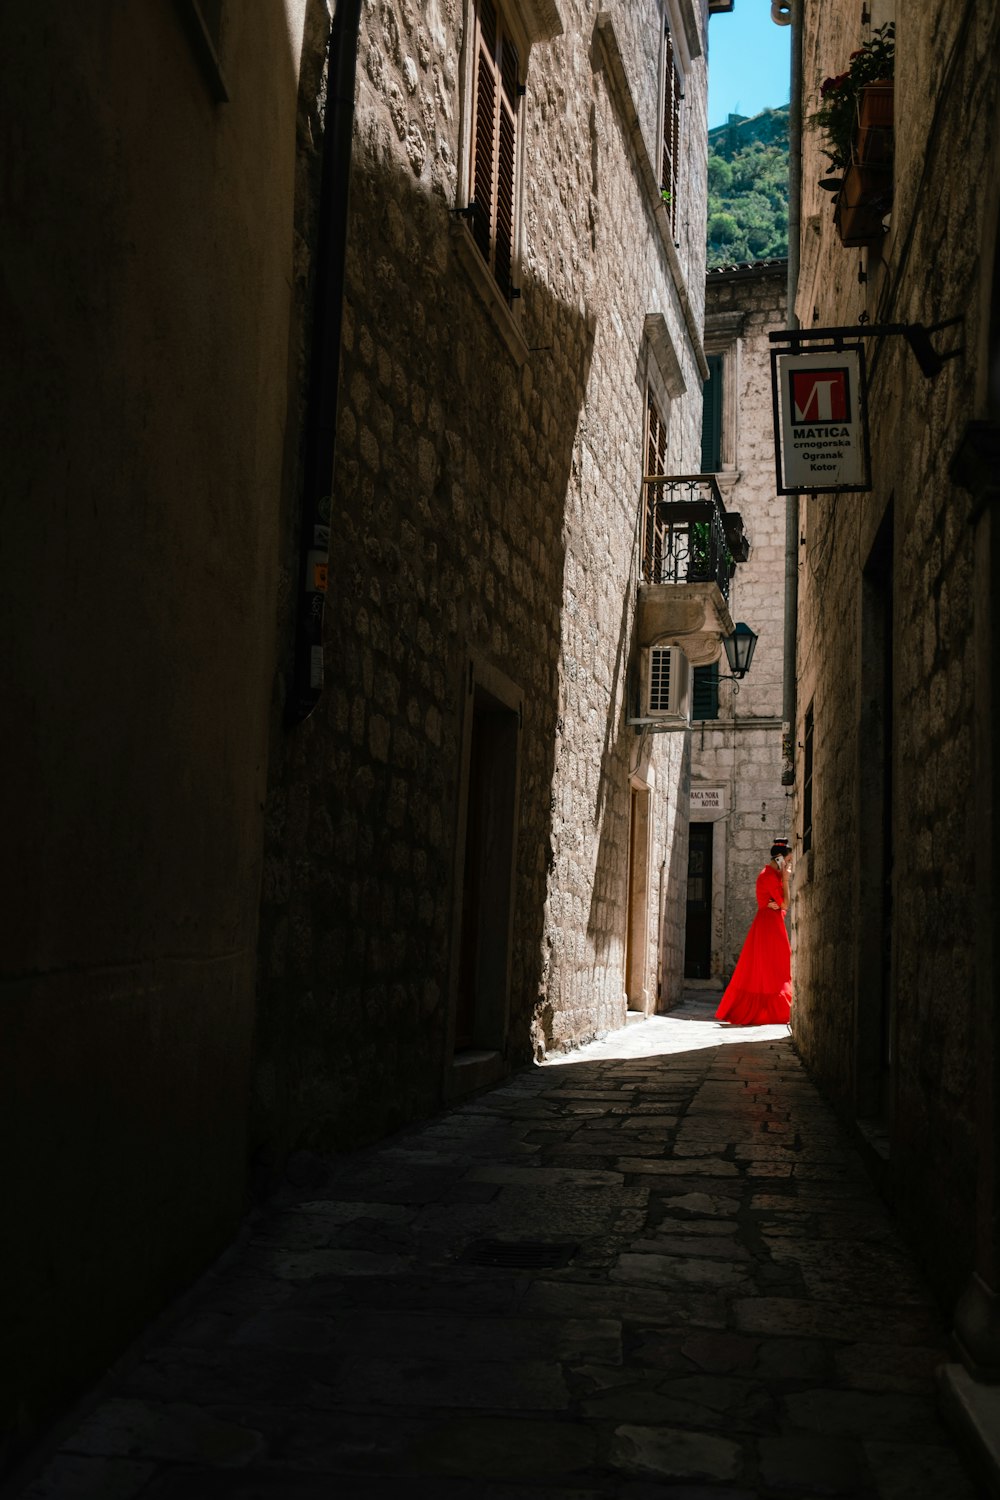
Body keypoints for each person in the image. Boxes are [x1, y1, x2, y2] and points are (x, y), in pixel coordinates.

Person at [715, 838, 793, 1025]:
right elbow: (785, 903)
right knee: (770, 968)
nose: (790, 865)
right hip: (768, 925)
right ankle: (772, 1011)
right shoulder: (768, 876)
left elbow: (781, 905)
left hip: (772, 923)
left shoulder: (771, 875)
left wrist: (782, 883)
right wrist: (785, 879)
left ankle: (773, 1010)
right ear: (780, 859)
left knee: (774, 966)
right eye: (788, 861)